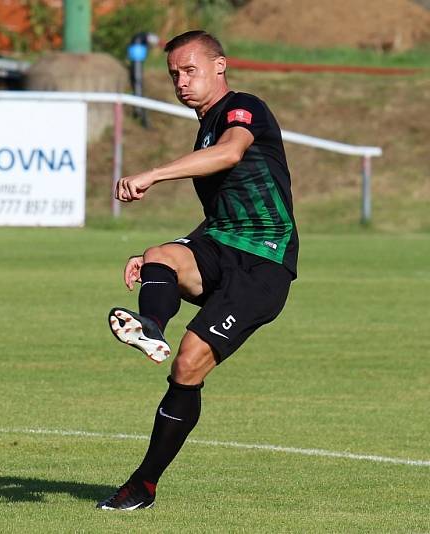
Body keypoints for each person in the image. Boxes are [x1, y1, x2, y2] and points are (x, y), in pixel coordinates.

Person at [97, 30, 299, 511]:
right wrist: (168, 249)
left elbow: (231, 153)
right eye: (173, 75)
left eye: (190, 71)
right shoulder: (203, 125)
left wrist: (152, 173)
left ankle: (143, 483)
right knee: (159, 255)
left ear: (219, 66)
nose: (181, 82)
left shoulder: (242, 108)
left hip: (263, 263)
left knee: (188, 364)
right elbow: (223, 212)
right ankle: (150, 327)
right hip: (221, 242)